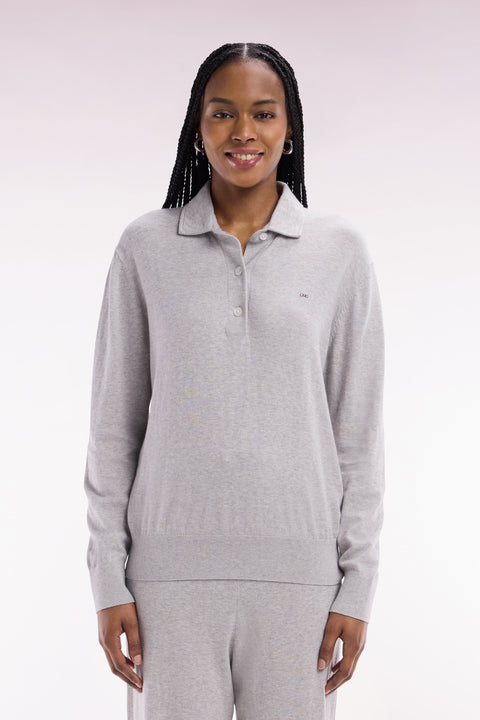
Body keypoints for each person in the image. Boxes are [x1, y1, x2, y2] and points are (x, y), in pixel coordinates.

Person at [83, 42, 385, 720]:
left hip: (301, 582)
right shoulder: (145, 247)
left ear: (289, 128)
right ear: (198, 127)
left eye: (263, 113)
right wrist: (108, 579)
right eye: (223, 113)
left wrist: (356, 586)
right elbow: (112, 428)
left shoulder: (339, 252)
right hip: (166, 583)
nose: (243, 132)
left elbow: (358, 436)